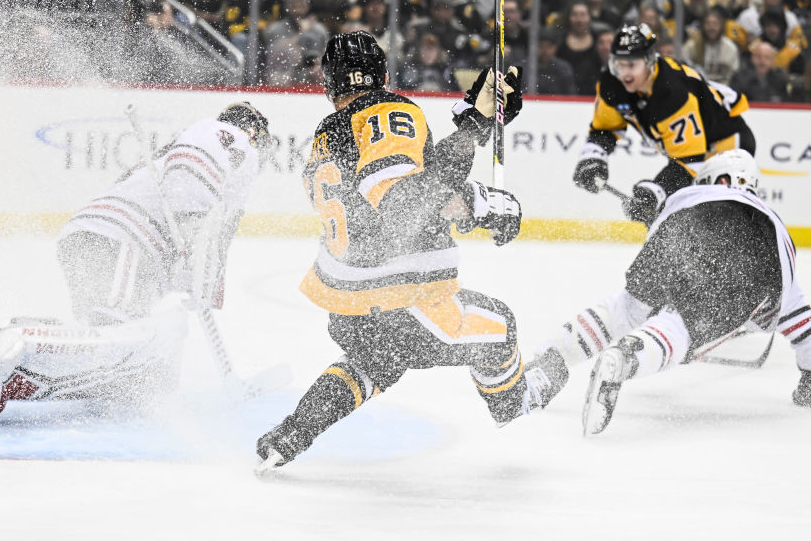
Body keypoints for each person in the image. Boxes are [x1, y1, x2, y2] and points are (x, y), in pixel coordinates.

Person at [255, 31, 549, 470]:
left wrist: (475, 130)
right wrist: (477, 177)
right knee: (500, 326)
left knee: (373, 363)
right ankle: (521, 423)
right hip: (403, 298)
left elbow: (399, 194)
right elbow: (405, 203)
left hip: (350, 305)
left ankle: (290, 435)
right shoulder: (388, 111)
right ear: (384, 73)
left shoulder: (325, 138)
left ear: (330, 84)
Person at [0, 103, 272, 418]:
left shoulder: (205, 158)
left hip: (101, 237)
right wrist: (190, 231)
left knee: (107, 341)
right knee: (117, 338)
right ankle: (5, 355)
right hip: (124, 240)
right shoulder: (231, 136)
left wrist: (202, 282)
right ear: (254, 131)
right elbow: (192, 168)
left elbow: (215, 233)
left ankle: (20, 342)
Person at [524, 150, 811, 435]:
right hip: (751, 255)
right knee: (680, 326)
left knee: (624, 309)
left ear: (722, 180)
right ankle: (627, 357)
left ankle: (550, 359)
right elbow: (803, 325)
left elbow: (676, 229)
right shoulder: (768, 228)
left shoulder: (692, 199)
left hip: (678, 225)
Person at [572, 23, 755, 227]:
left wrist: (656, 191)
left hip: (728, 143)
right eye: (619, 64)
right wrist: (593, 158)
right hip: (694, 149)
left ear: (650, 61)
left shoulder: (672, 92)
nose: (624, 73)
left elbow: (690, 161)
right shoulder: (612, 83)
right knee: (671, 217)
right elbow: (606, 128)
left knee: (713, 219)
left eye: (632, 65)